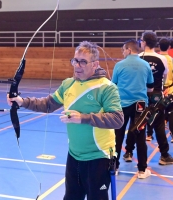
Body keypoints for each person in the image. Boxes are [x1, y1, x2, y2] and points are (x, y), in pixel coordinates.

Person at [7, 41, 124, 200]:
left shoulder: (107, 87)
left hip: (99, 157)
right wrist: (22, 101)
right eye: (75, 60)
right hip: (74, 156)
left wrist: (82, 118)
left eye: (83, 62)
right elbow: (48, 104)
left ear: (95, 64)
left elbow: (117, 119)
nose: (77, 65)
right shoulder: (68, 84)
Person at [125, 31, 173, 165]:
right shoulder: (162, 59)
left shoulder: (139, 57)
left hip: (140, 95)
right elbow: (165, 77)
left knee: (135, 123)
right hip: (156, 95)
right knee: (159, 125)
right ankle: (164, 155)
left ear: (144, 42)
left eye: (141, 40)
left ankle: (129, 152)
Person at [111, 39, 154, 178]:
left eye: (123, 50)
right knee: (140, 137)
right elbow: (151, 86)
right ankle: (142, 170)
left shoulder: (119, 65)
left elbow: (113, 85)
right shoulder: (146, 65)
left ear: (129, 50)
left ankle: (114, 167)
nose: (123, 53)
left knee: (117, 136)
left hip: (121, 105)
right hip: (140, 106)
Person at [147, 37, 173, 143]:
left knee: (152, 111)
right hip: (169, 90)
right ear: (169, 47)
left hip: (156, 90)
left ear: (158, 46)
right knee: (171, 113)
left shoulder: (156, 59)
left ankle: (149, 135)